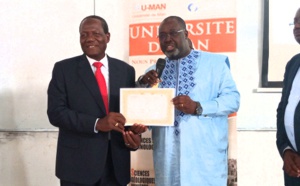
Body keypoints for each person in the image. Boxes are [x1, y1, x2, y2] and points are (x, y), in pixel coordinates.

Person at [137, 16, 240, 185]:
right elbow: (144, 111)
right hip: (167, 159)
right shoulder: (154, 72)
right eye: (162, 35)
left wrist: (198, 107)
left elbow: (233, 100)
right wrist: (142, 85)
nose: (167, 39)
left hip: (204, 159)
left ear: (185, 34)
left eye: (172, 33)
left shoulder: (215, 63)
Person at [47, 15, 147, 186]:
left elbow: (127, 114)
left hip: (116, 165)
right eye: (83, 35)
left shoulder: (126, 71)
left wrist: (133, 138)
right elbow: (56, 113)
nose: (89, 39)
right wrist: (97, 123)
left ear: (107, 37)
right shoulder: (63, 69)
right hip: (77, 166)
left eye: (96, 33)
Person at [276, 8, 300, 186]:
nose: (297, 26)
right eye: (295, 21)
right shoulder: (293, 63)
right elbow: (283, 110)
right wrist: (285, 149)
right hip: (293, 165)